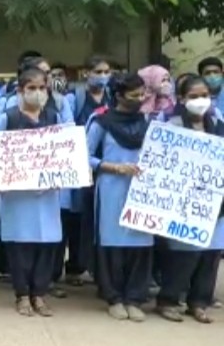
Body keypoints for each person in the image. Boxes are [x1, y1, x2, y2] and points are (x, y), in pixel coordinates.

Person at [0, 68, 62, 316]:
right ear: (20, 91)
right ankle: (22, 294)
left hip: (47, 194)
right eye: (31, 88)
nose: (37, 93)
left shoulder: (54, 117)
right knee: (19, 246)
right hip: (17, 195)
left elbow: (65, 152)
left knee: (46, 244)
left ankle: (39, 294)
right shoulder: (7, 118)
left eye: (42, 88)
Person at [86, 72, 153, 321]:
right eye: (134, 95)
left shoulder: (149, 122)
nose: (140, 99)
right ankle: (113, 297)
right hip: (112, 187)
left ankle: (134, 297)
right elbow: (84, 155)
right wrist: (113, 166)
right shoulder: (101, 122)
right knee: (112, 242)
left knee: (141, 242)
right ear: (119, 95)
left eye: (142, 94)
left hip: (143, 190)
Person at [156, 77, 224, 323]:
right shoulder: (170, 125)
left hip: (215, 202)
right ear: (182, 99)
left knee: (210, 255)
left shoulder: (218, 123)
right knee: (183, 255)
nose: (200, 101)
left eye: (204, 95)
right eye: (194, 96)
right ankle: (169, 300)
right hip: (183, 201)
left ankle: (198, 302)